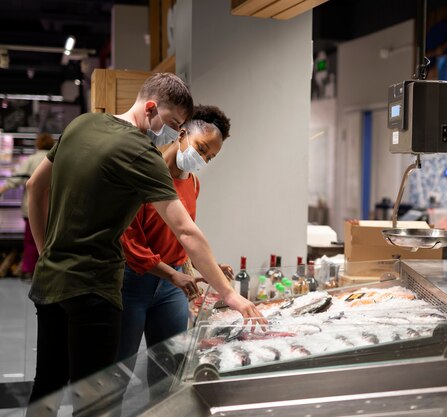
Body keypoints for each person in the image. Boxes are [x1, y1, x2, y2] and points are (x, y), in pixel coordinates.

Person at [25, 73, 266, 408]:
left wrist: (43, 253)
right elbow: (185, 230)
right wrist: (230, 295)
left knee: (47, 389)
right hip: (97, 288)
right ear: (151, 107)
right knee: (97, 401)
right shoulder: (142, 154)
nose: (173, 133)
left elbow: (35, 188)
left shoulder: (82, 124)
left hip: (51, 280)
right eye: (172, 123)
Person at [118, 104, 232, 366]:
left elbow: (182, 237)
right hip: (133, 283)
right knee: (119, 370)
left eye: (209, 157)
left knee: (171, 369)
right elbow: (129, 243)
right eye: (202, 149)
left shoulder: (192, 183)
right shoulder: (143, 173)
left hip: (172, 287)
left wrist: (205, 268)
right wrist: (171, 273)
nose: (202, 160)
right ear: (181, 134)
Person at [0, 133, 55, 280]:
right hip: (54, 209)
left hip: (33, 208)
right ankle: (49, 271)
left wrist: (2, 190)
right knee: (52, 240)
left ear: (38, 144)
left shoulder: (31, 160)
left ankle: (29, 270)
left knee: (31, 241)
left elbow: (16, 180)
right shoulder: (58, 158)